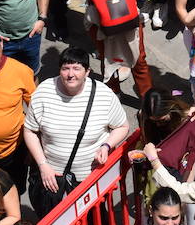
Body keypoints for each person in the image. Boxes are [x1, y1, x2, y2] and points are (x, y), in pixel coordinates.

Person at [24, 47, 129, 214]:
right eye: (65, 68)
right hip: (53, 179)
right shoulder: (44, 91)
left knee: (92, 223)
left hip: (89, 180)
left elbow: (122, 127)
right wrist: (43, 165)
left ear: (87, 72)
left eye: (77, 68)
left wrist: (106, 146)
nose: (70, 74)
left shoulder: (104, 95)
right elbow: (30, 130)